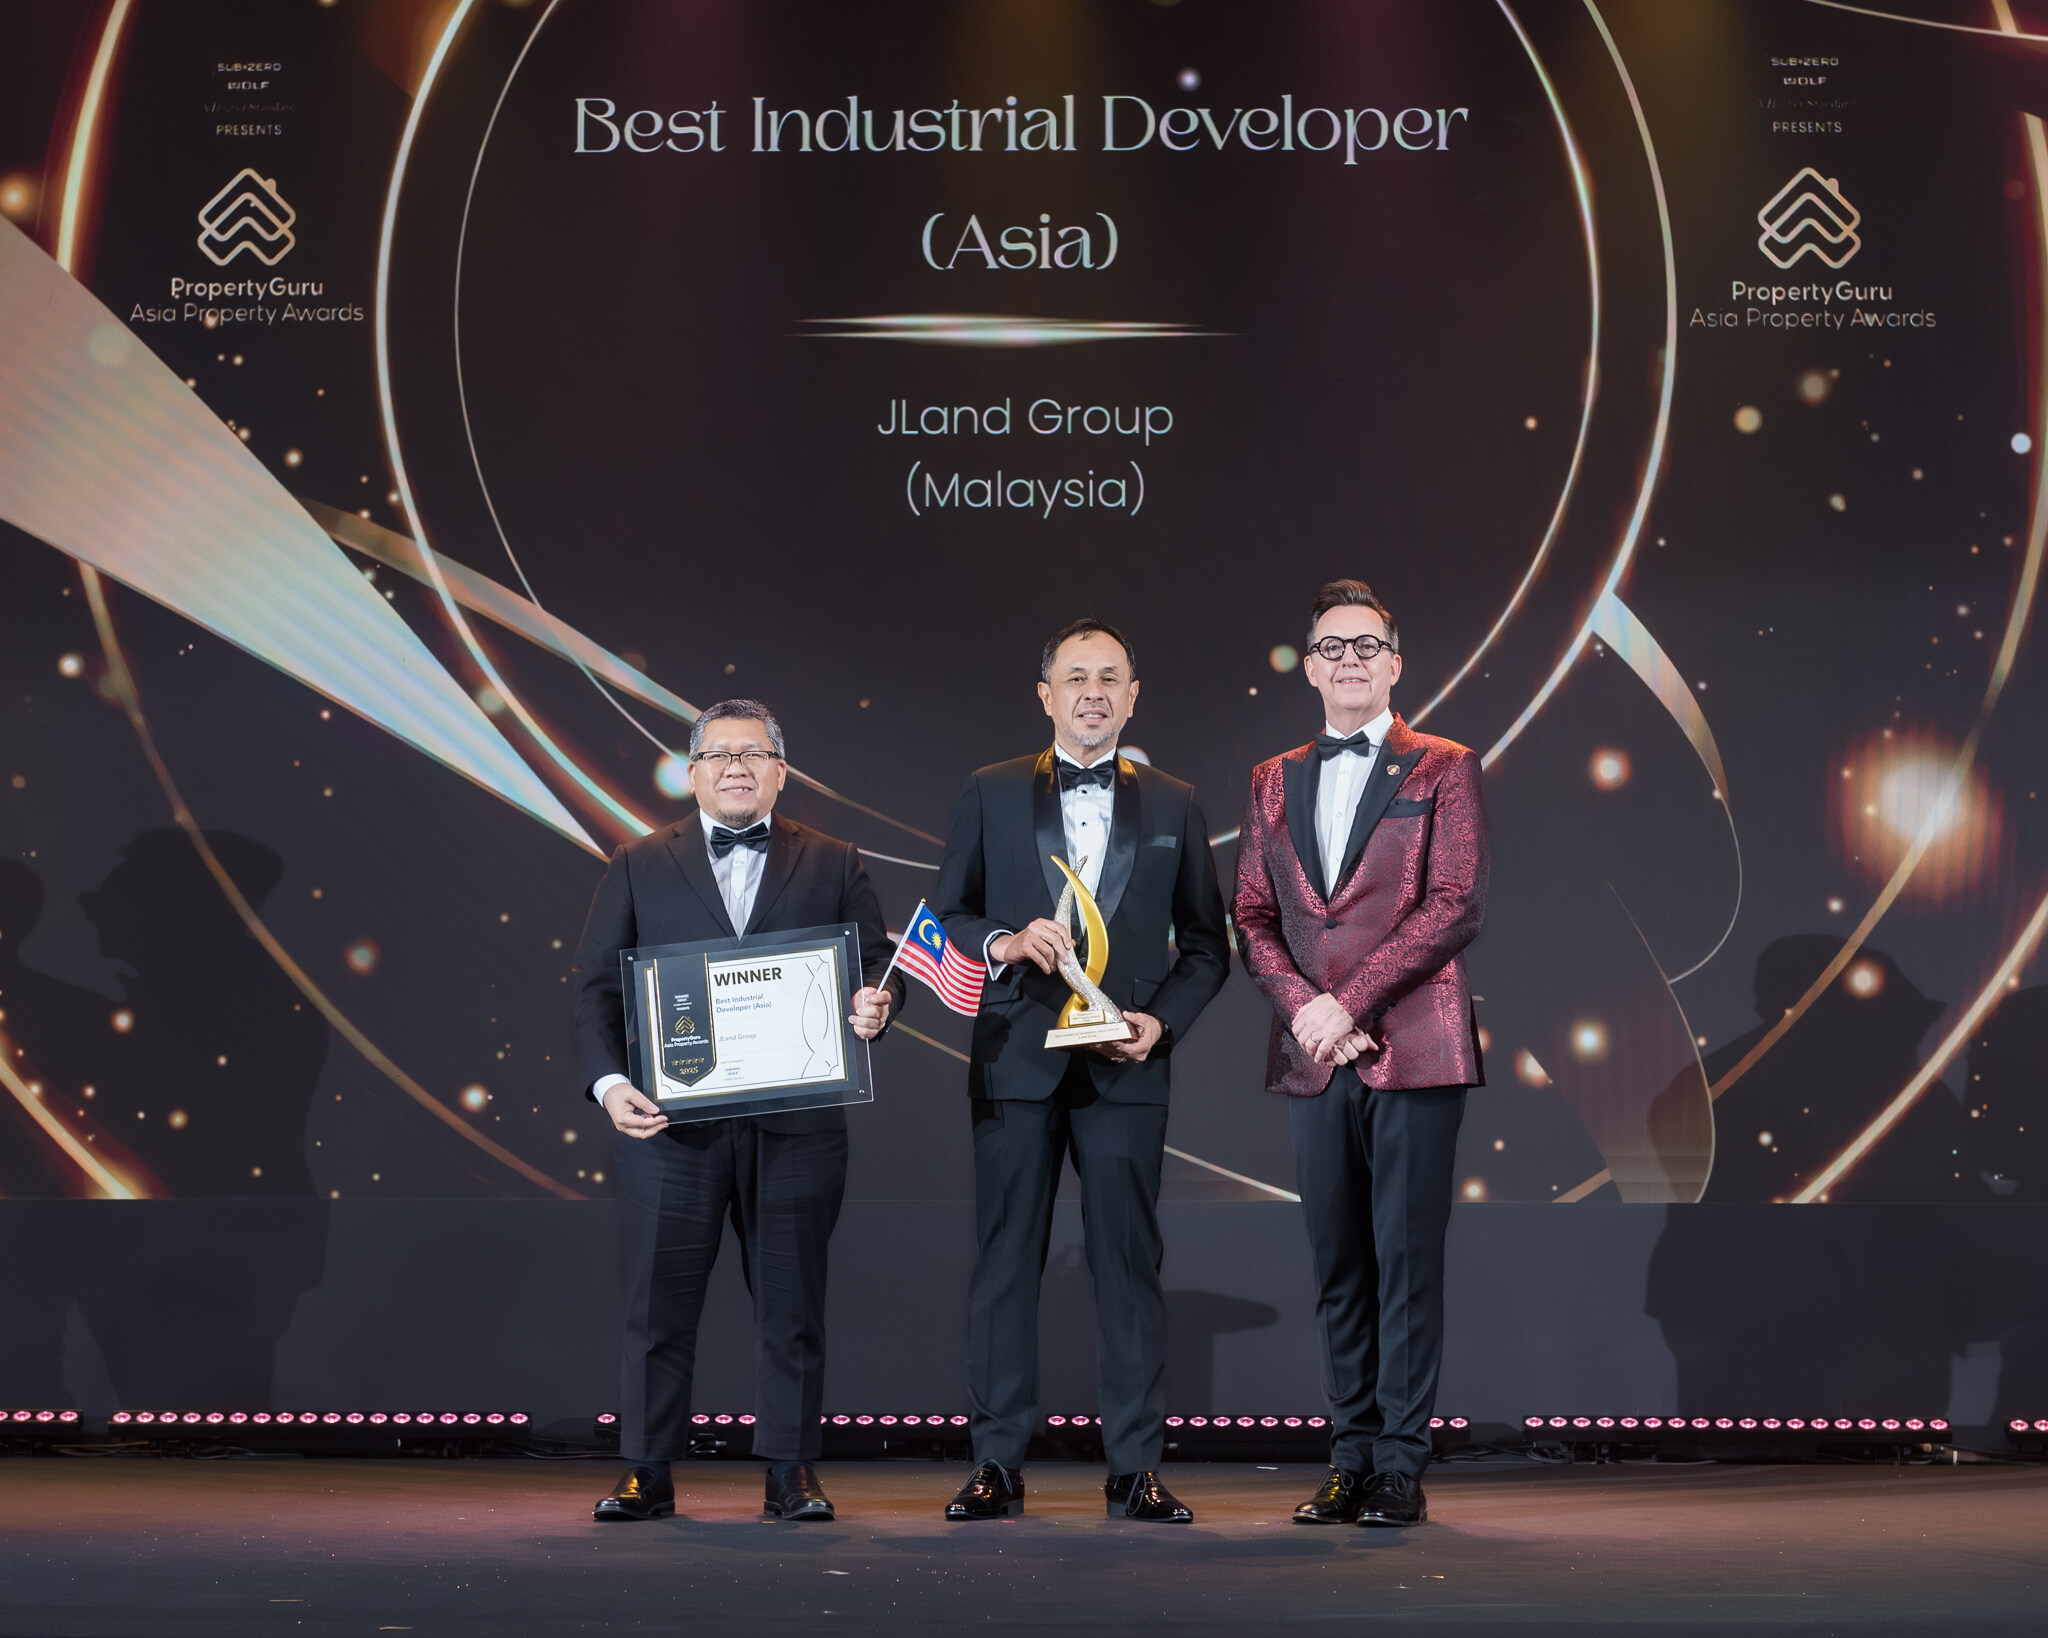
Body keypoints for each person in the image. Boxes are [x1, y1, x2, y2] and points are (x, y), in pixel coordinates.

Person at [571, 700, 904, 1524]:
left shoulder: (833, 859)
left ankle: (791, 1471)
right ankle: (647, 1471)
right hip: (670, 1128)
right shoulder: (636, 863)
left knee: (792, 1306)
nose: (736, 768)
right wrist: (609, 1085)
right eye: (719, 755)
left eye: (753, 754)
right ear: (692, 774)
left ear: (780, 772)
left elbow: (877, 968)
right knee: (657, 1306)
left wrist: (878, 1005)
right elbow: (595, 988)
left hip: (797, 1127)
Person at [933, 619, 1230, 1523]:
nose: (1092, 692)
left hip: (1123, 1070)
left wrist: (1159, 1024)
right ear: (1046, 695)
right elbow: (947, 916)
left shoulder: (1176, 802)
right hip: (1015, 1061)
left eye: (1109, 678)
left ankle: (1134, 1468)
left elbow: (1207, 948)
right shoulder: (988, 790)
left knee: (1129, 1264)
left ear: (1133, 697)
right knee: (1004, 1264)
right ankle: (995, 1464)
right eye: (1075, 677)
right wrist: (1003, 941)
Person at [1233, 580, 1488, 1528]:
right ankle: (1348, 1458)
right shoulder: (1270, 778)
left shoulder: (1445, 766)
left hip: (1415, 1046)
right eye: (1332, 648)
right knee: (1338, 1263)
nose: (1350, 661)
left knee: (1406, 1263)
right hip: (1314, 1053)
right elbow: (1252, 914)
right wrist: (1309, 1008)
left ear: (1395, 663)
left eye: (1366, 646)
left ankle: (1399, 1466)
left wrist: (1348, 1000)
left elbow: (1454, 903)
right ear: (1309, 667)